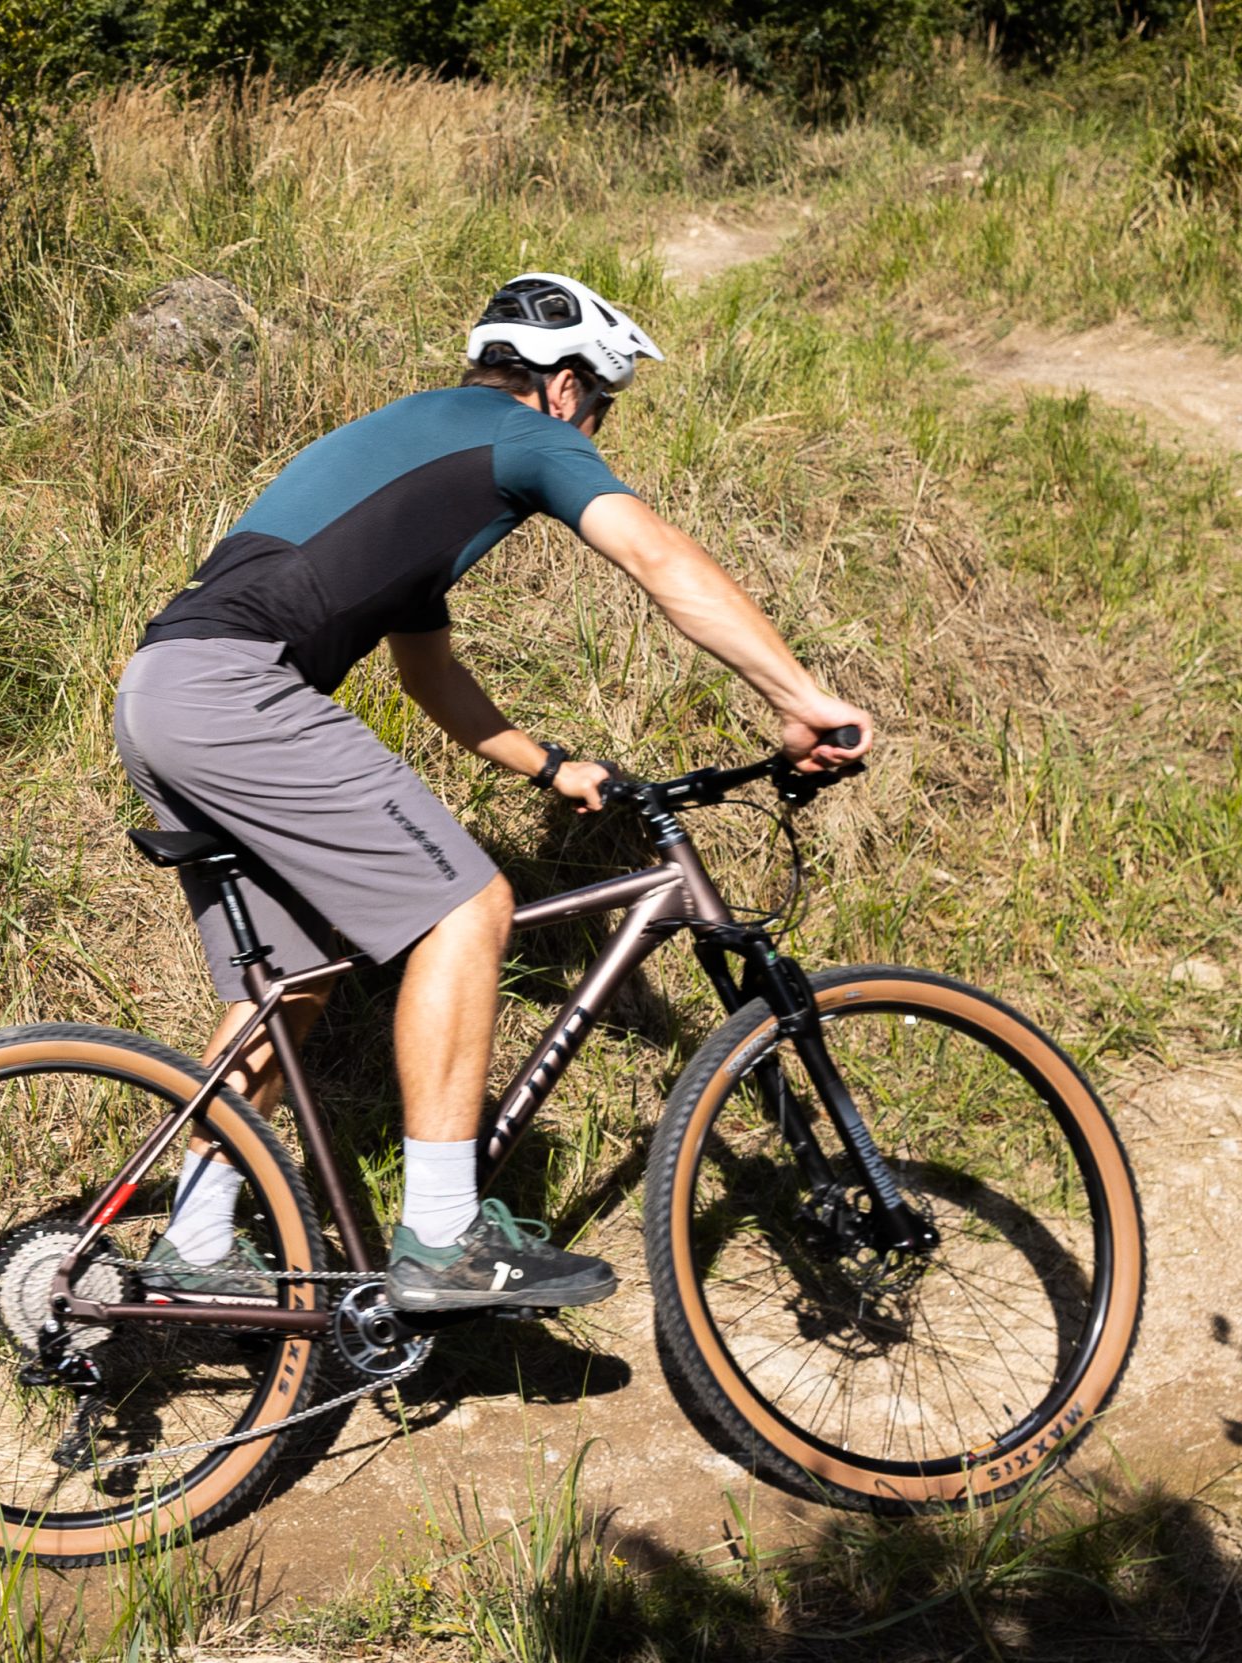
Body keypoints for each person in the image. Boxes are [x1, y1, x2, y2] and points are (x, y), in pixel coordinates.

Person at [112, 271, 873, 1311]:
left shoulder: (412, 449)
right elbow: (659, 557)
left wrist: (551, 767)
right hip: (238, 690)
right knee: (470, 906)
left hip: (161, 692)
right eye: (601, 409)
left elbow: (429, 675)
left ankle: (195, 1242)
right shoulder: (522, 434)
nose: (595, 431)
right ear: (564, 386)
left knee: (291, 984)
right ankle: (441, 1237)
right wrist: (803, 698)